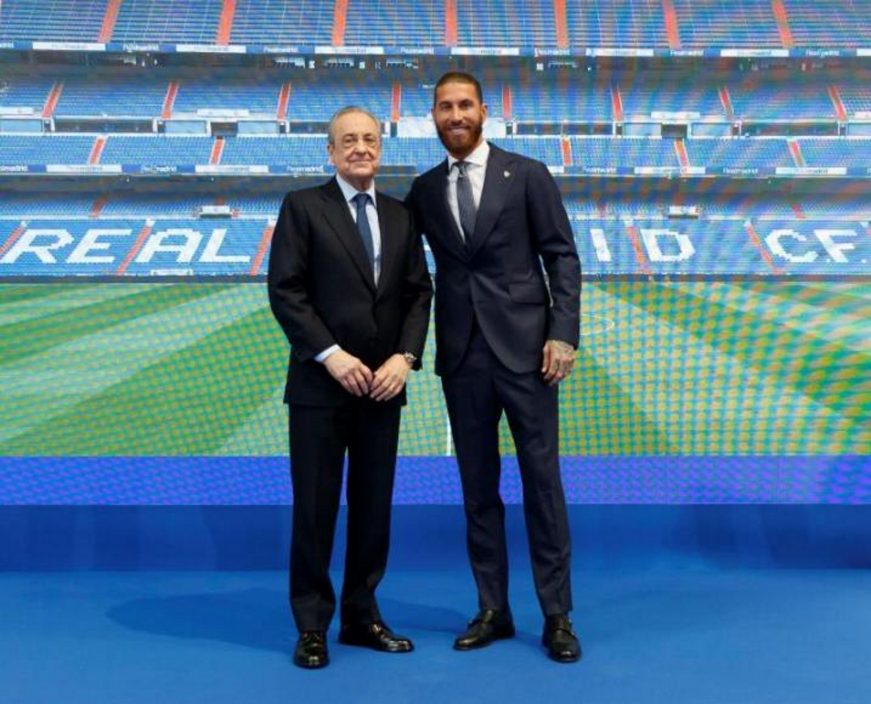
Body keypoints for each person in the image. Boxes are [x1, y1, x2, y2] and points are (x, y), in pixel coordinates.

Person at [406, 72, 582, 663]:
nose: (455, 115)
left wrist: (562, 333)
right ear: (433, 116)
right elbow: (408, 273)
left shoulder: (527, 174)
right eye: (444, 107)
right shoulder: (424, 190)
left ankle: (557, 615)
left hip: (529, 354)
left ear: (484, 111)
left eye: (464, 105)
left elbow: (561, 257)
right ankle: (493, 609)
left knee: (542, 484)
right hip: (462, 357)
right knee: (477, 490)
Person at [268, 106, 432, 669]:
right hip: (320, 387)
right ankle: (312, 625)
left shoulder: (401, 214)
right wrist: (331, 355)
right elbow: (286, 290)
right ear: (331, 152)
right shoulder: (302, 207)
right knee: (314, 510)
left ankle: (362, 617)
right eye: (349, 140)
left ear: (379, 147)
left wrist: (405, 359)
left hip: (383, 389)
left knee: (372, 510)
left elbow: (418, 293)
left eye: (369, 139)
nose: (361, 148)